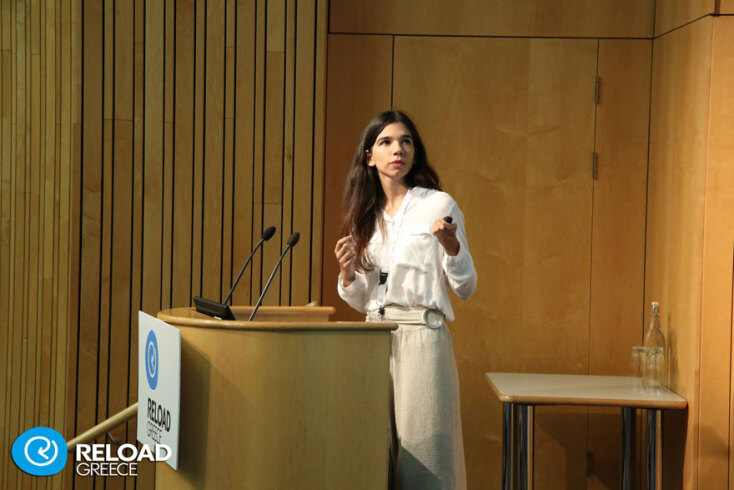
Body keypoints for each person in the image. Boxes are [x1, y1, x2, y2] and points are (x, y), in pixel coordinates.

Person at [334, 110, 477, 490]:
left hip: (421, 336)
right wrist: (347, 274)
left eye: (405, 141)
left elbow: (466, 287)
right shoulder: (365, 215)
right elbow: (362, 298)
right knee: (371, 453)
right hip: (372, 337)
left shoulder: (439, 205)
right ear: (370, 157)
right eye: (386, 142)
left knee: (425, 458)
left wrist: (452, 247)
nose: (398, 149)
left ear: (414, 152)